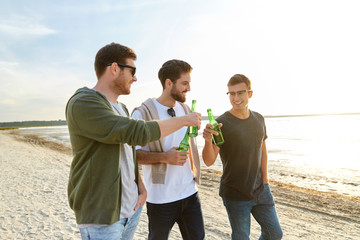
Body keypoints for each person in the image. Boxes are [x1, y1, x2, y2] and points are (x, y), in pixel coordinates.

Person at [65, 43, 201, 240]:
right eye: (132, 71)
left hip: (131, 209)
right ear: (114, 68)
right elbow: (137, 132)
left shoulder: (121, 108)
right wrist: (184, 121)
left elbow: (127, 152)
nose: (135, 78)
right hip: (103, 217)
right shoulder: (84, 102)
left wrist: (139, 185)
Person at [202, 74, 283, 240]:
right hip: (235, 193)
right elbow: (209, 161)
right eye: (231, 94)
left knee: (274, 233)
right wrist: (208, 140)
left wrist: (265, 180)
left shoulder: (259, 119)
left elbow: (263, 150)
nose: (235, 98)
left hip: (261, 189)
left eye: (240, 93)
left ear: (250, 94)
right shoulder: (222, 123)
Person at [131, 59, 205, 240]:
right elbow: (133, 156)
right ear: (168, 83)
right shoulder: (142, 113)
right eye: (184, 83)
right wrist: (166, 157)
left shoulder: (186, 109)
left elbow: (191, 144)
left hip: (190, 193)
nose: (188, 88)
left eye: (189, 83)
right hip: (160, 199)